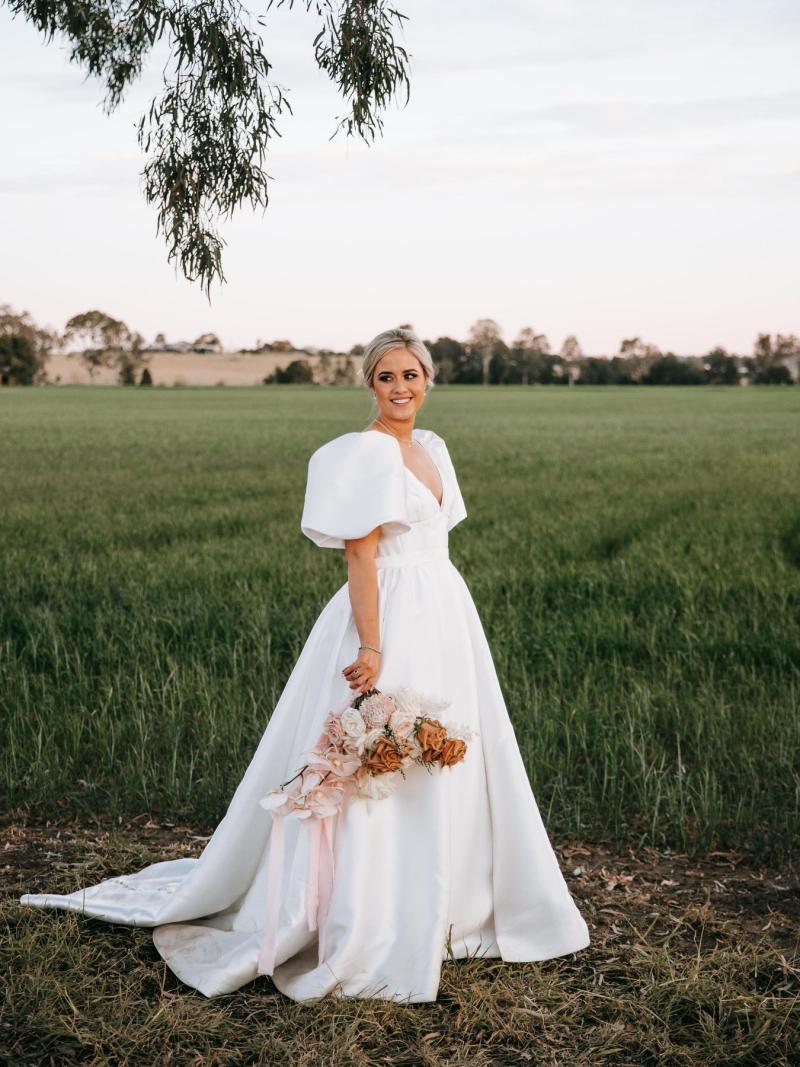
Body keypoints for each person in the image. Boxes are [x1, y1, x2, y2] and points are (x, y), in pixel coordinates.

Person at [20, 327, 590, 1002]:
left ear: (428, 379)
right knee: (378, 750)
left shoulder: (434, 447)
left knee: (451, 747)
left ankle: (453, 900)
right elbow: (361, 557)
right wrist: (372, 648)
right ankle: (371, 908)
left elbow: (436, 535)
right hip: (387, 610)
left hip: (445, 611)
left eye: (411, 374)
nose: (400, 387)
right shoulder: (365, 455)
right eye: (386, 376)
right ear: (369, 384)